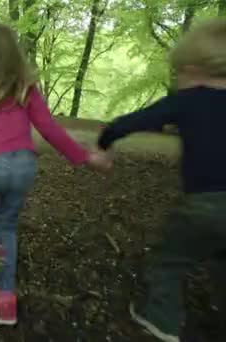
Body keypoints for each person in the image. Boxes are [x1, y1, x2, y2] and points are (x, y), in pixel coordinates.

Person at [0, 24, 111, 326]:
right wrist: (84, 157)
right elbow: (50, 129)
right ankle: (6, 302)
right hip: (24, 166)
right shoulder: (26, 90)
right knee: (8, 226)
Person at [96, 18, 226, 342]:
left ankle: (160, 319)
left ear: (194, 68)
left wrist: (105, 140)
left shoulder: (189, 98)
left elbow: (136, 120)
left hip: (203, 205)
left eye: (179, 72)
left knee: (168, 261)